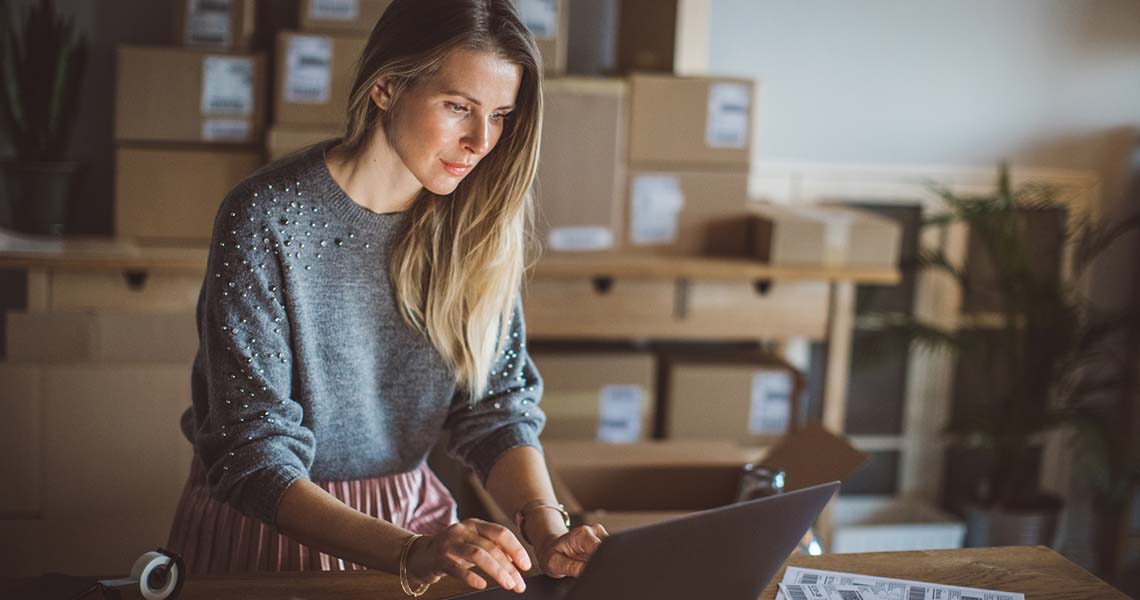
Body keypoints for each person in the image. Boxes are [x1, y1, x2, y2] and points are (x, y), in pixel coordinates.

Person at [166, 0, 608, 594]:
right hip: (271, 531)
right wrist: (412, 553)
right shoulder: (265, 218)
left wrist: (548, 530)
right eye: (458, 107)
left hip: (416, 521)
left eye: (500, 116)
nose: (481, 141)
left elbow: (495, 410)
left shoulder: (476, 226)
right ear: (386, 87)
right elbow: (253, 456)